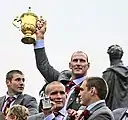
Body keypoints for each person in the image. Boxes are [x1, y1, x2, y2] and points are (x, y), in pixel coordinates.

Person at [33, 19, 90, 111]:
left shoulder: (90, 87)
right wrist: (40, 37)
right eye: (75, 61)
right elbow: (43, 66)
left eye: (82, 61)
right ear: (70, 65)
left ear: (88, 66)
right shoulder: (60, 79)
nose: (78, 64)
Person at [102, 44, 128, 110]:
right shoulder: (126, 71)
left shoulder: (108, 73)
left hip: (112, 112)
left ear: (109, 56)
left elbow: (102, 94)